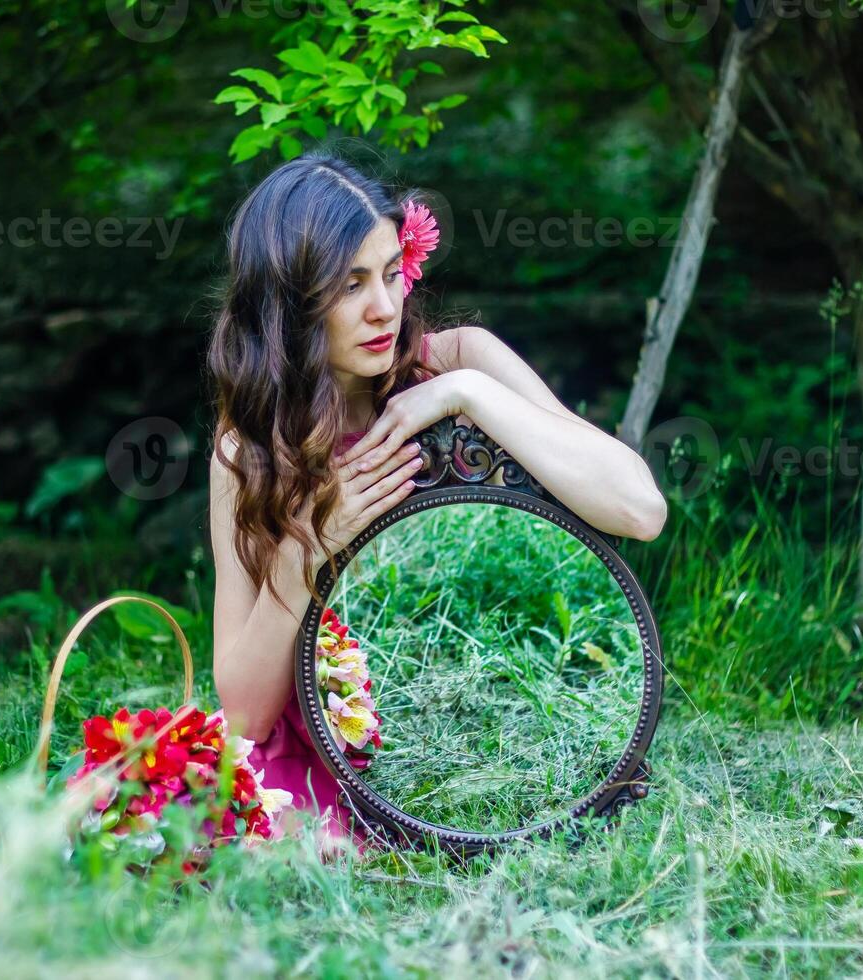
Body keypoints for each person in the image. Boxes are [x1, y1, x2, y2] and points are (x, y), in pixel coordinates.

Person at [205, 151, 667, 845]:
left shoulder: (459, 360)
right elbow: (242, 716)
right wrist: (309, 546)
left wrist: (465, 393)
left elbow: (639, 510)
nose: (384, 308)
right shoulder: (248, 451)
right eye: (349, 284)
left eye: (392, 273)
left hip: (490, 726)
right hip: (331, 757)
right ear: (290, 301)